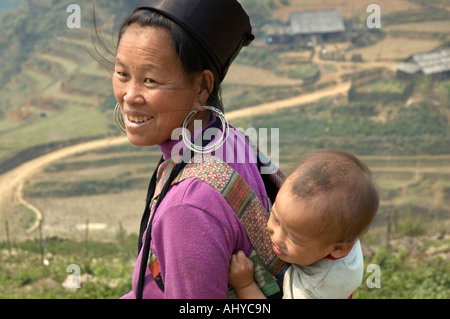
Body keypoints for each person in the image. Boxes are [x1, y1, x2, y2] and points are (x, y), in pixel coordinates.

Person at [103, 0, 284, 298]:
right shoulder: (227, 138)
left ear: (202, 87)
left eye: (150, 80)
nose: (129, 95)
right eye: (122, 74)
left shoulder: (187, 209)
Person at [229, 149, 380, 299]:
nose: (277, 237)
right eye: (275, 218)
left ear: (339, 248)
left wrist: (245, 285)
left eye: (294, 238)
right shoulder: (337, 232)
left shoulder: (313, 289)